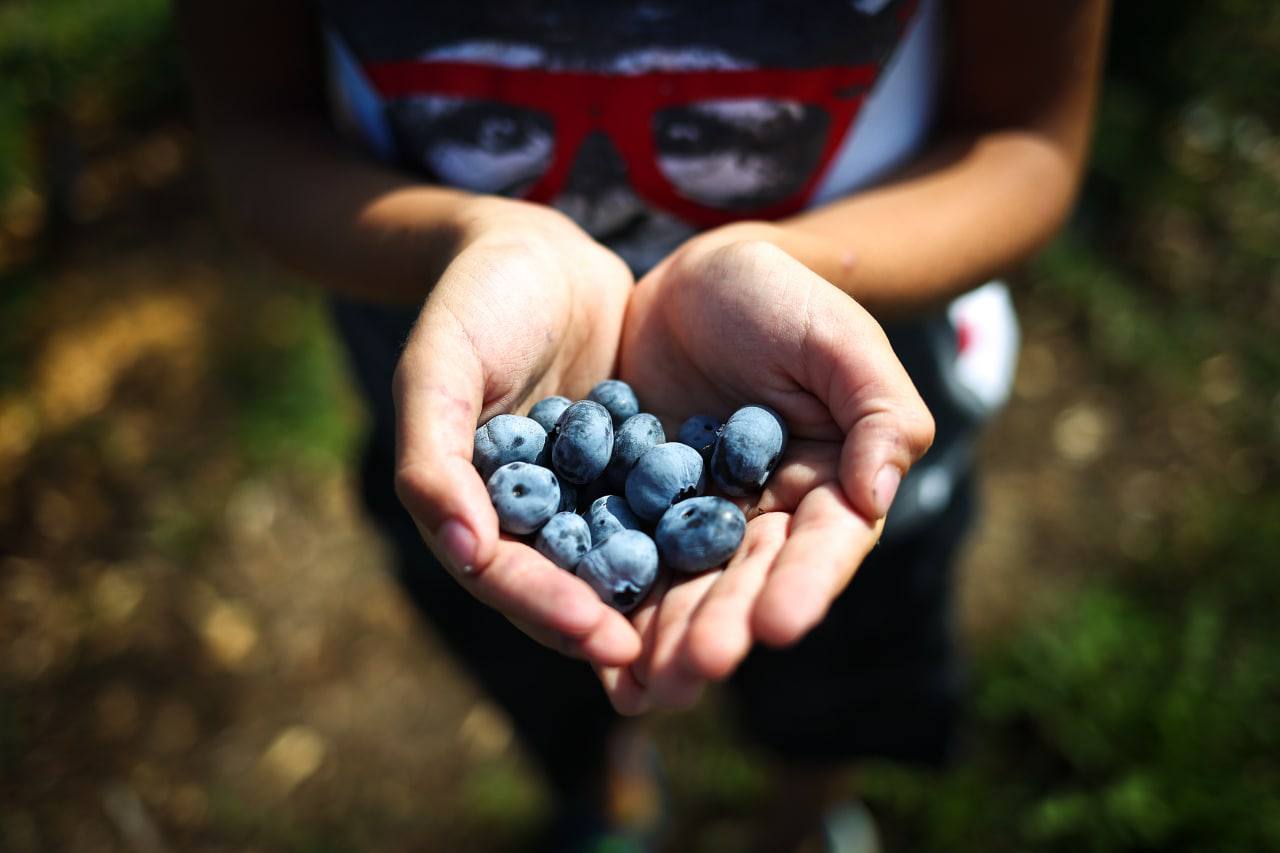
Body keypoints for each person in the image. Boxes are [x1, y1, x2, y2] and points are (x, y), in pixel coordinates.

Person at [178, 1, 1108, 849]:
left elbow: (1026, 144)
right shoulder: (532, 461)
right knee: (537, 642)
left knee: (848, 660)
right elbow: (256, 135)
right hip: (463, 388)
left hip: (831, 387)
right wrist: (472, 235)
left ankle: (808, 811)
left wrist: (808, 260)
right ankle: (609, 792)